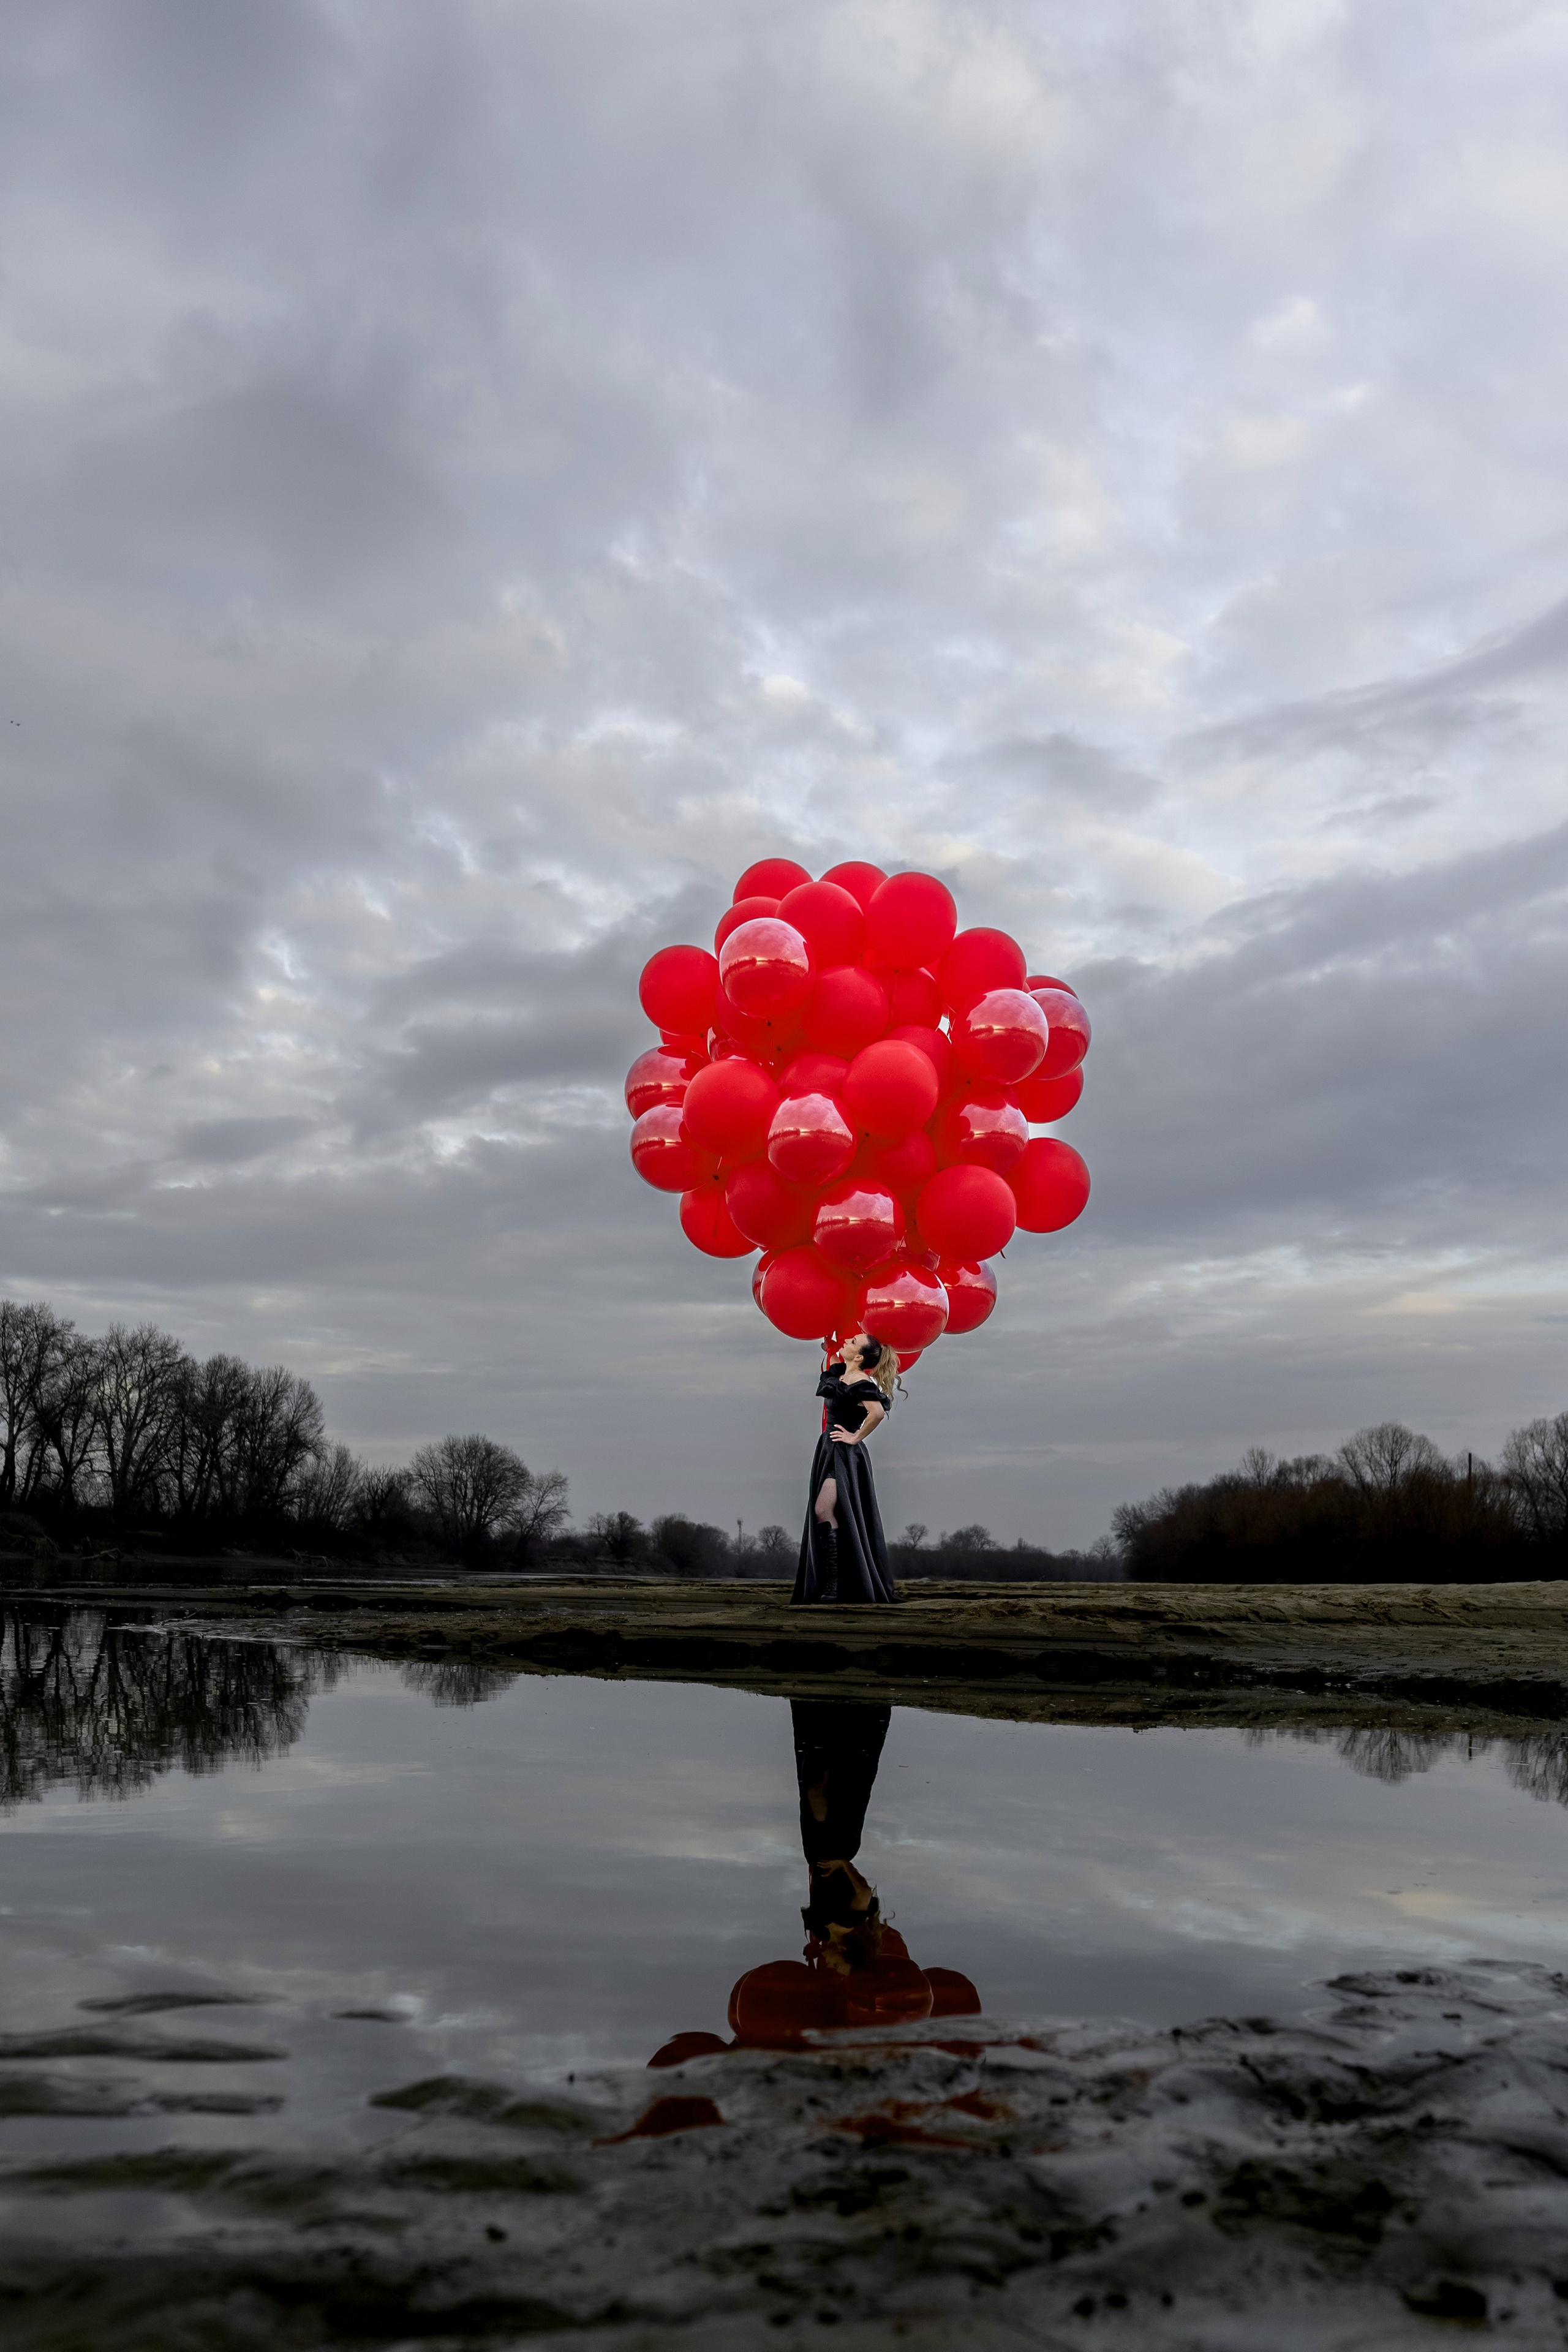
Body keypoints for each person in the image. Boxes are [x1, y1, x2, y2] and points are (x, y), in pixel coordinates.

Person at [792, 1332, 899, 1606]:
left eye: (853, 1342)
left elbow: (876, 1413)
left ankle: (835, 1586)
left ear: (860, 1356)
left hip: (845, 1453)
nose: (848, 1341)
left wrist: (855, 1437)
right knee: (832, 1512)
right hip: (828, 1449)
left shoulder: (861, 1382)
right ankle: (834, 1586)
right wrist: (829, 1343)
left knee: (822, 1509)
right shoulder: (838, 1374)